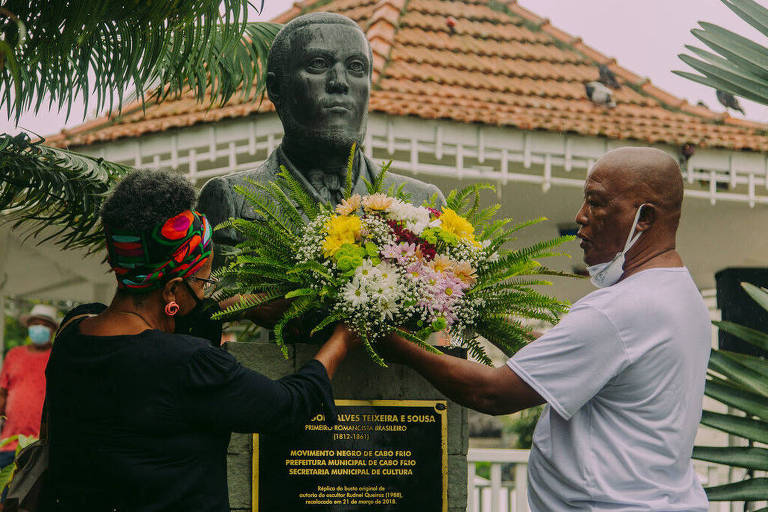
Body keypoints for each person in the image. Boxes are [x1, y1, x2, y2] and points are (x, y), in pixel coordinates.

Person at [381, 147, 711, 511]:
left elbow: (491, 394)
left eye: (596, 203)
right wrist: (475, 309)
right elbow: (562, 358)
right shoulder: (680, 294)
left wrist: (388, 339)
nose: (580, 217)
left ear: (644, 217)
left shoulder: (618, 311)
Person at [38, 170, 358, 511]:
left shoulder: (73, 332)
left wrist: (235, 307)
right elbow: (287, 407)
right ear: (172, 289)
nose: (204, 292)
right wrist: (343, 337)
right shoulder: (188, 364)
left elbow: (154, 334)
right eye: (202, 282)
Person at [197, 12, 445, 271]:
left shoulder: (423, 202)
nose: (340, 82)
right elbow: (213, 305)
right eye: (318, 63)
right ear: (276, 88)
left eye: (356, 67)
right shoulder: (233, 202)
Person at [0, 305, 58, 467]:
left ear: (53, 330)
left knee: (33, 490)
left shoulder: (57, 358)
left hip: (41, 443)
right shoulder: (14, 355)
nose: (39, 328)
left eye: (45, 325)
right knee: (4, 488)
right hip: (9, 440)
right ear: (29, 327)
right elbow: (2, 393)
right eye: (35, 324)